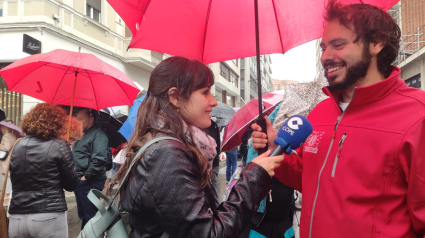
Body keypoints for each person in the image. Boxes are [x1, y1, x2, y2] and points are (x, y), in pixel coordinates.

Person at [252, 1, 425, 237]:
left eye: (338, 45)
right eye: (324, 47)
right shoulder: (321, 112)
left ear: (376, 43)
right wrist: (277, 151)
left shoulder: (417, 116)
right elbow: (308, 177)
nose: (326, 56)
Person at [113, 56, 284, 238]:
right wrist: (254, 178)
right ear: (176, 97)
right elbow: (209, 233)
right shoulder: (166, 154)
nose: (213, 101)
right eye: (205, 92)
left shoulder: (167, 144)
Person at [8, 103, 79, 238]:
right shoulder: (59, 145)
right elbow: (71, 185)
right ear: (57, 123)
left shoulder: (17, 145)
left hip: (17, 217)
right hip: (48, 216)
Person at [72, 108, 109, 228]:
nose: (78, 121)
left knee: (91, 216)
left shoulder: (98, 134)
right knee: (84, 215)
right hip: (80, 180)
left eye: (81, 119)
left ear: (91, 119)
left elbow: (98, 159)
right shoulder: (82, 134)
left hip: (90, 181)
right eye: (76, 119)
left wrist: (85, 177)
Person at [0, 121, 19, 194]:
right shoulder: (14, 135)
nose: (1, 129)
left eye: (2, 128)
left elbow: (6, 147)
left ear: (5, 128)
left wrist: (0, 146)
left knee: (5, 176)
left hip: (5, 159)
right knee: (8, 176)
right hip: (11, 157)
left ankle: (6, 194)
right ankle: (9, 193)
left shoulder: (6, 136)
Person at [206, 119, 221, 206]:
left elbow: (216, 147)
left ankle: (216, 211)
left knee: (212, 191)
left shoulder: (211, 125)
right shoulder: (214, 125)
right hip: (213, 163)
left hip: (211, 165)